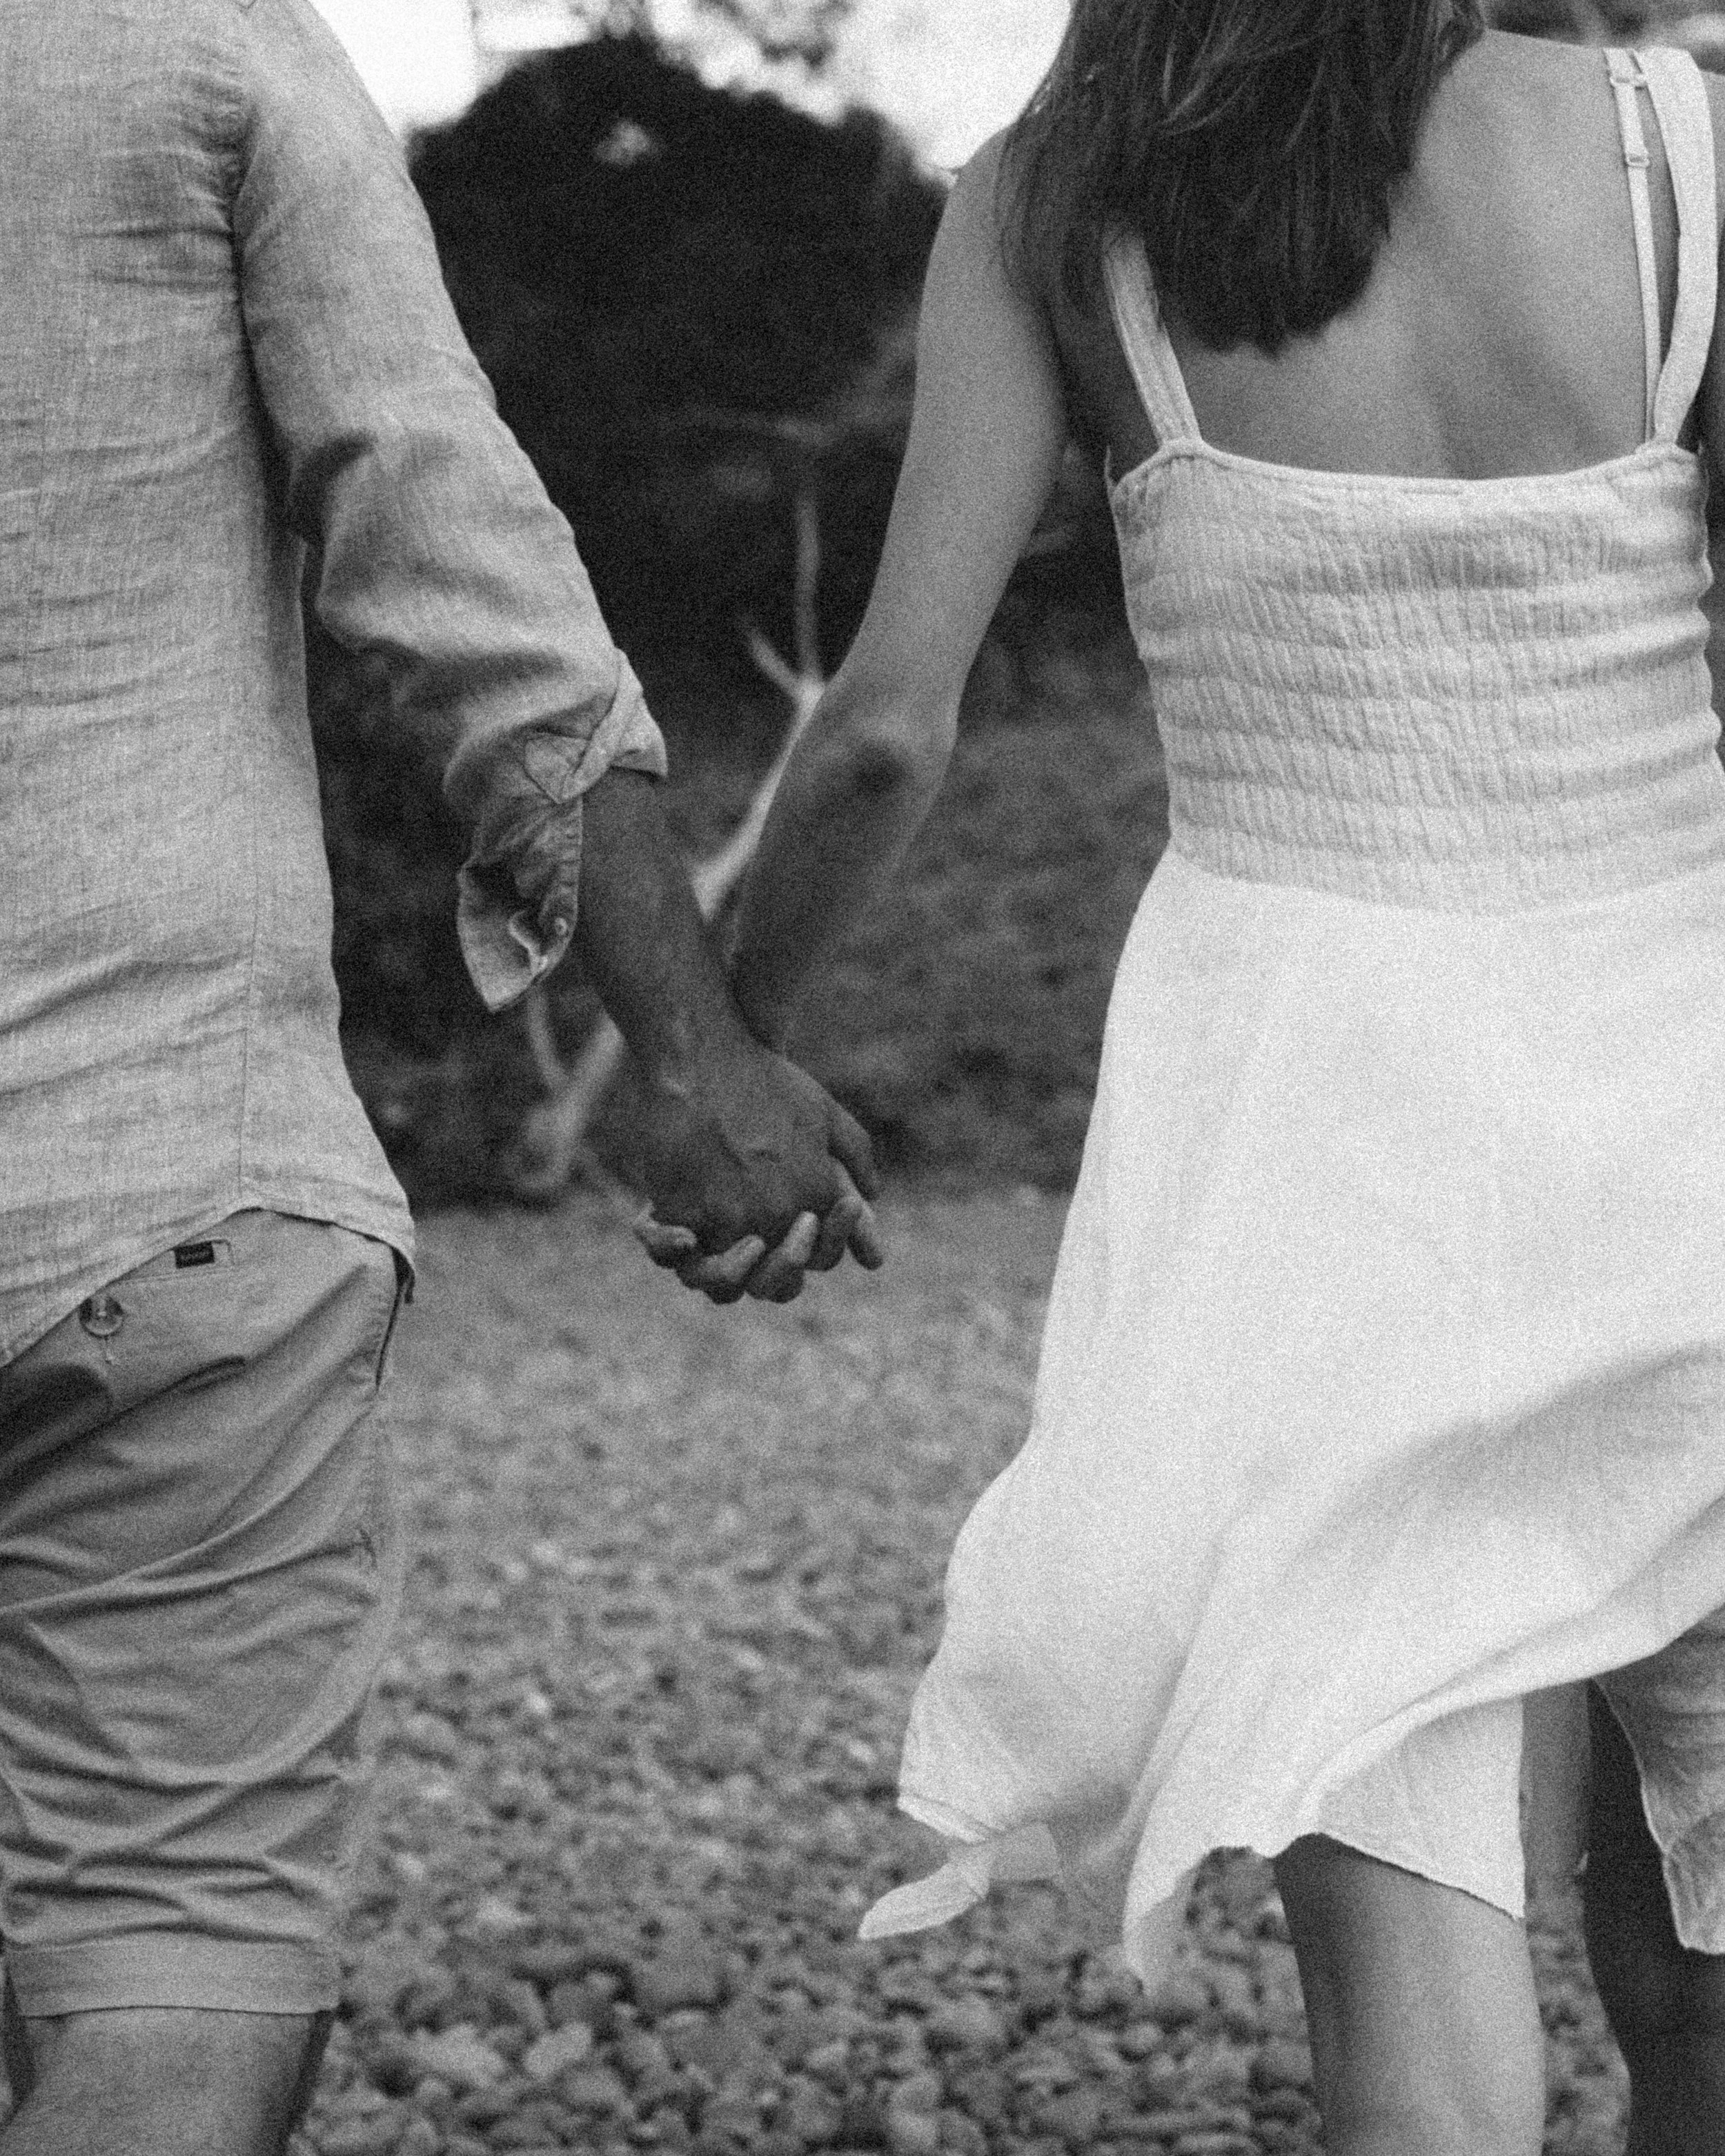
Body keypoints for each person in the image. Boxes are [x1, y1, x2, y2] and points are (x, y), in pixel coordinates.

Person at [727, 6, 1725, 2150]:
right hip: (1683, 1089)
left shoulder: (1053, 199)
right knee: (1709, 1980)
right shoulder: (1667, 146)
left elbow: (890, 721)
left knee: (1421, 2010)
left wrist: (709, 1042)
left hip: (1315, 1156)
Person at [0, 1, 880, 2151]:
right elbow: (440, 534)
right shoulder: (189, 46)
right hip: (148, 1164)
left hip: (158, 1173)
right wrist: (688, 1048)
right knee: (171, 1978)